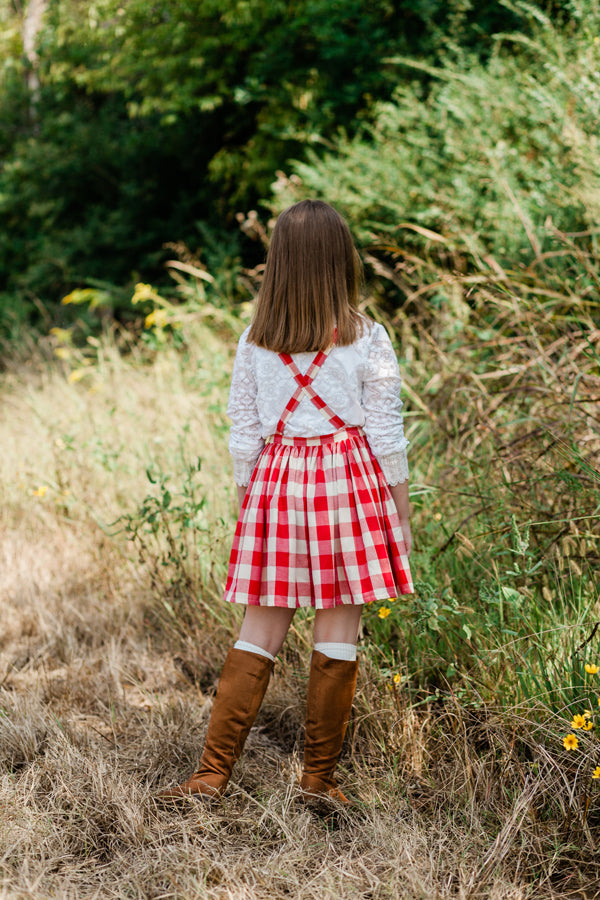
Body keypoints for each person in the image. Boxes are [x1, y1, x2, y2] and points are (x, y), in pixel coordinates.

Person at [158, 199, 413, 805]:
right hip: (349, 484)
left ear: (280, 264)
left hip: (277, 482)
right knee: (338, 630)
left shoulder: (256, 339)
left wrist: (251, 498)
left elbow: (243, 429)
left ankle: (211, 775)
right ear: (339, 261)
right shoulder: (367, 337)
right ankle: (319, 781)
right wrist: (400, 510)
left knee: (259, 630)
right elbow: (386, 433)